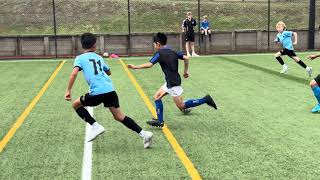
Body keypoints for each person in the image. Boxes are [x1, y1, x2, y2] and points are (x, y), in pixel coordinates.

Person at [64, 33, 153, 148]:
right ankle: (144, 134)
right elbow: (109, 72)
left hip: (97, 92)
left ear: (82, 45)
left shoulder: (80, 58)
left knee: (76, 105)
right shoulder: (99, 57)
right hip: (110, 90)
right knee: (119, 116)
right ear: (95, 45)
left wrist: (68, 90)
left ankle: (95, 126)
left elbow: (74, 73)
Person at [127, 32, 217, 127]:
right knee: (157, 97)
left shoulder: (159, 53)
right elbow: (186, 58)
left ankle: (205, 99)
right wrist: (185, 71)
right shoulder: (173, 51)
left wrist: (135, 67)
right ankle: (160, 121)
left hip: (173, 83)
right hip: (170, 81)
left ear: (158, 44)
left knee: (181, 105)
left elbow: (149, 64)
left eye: (154, 44)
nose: (154, 46)